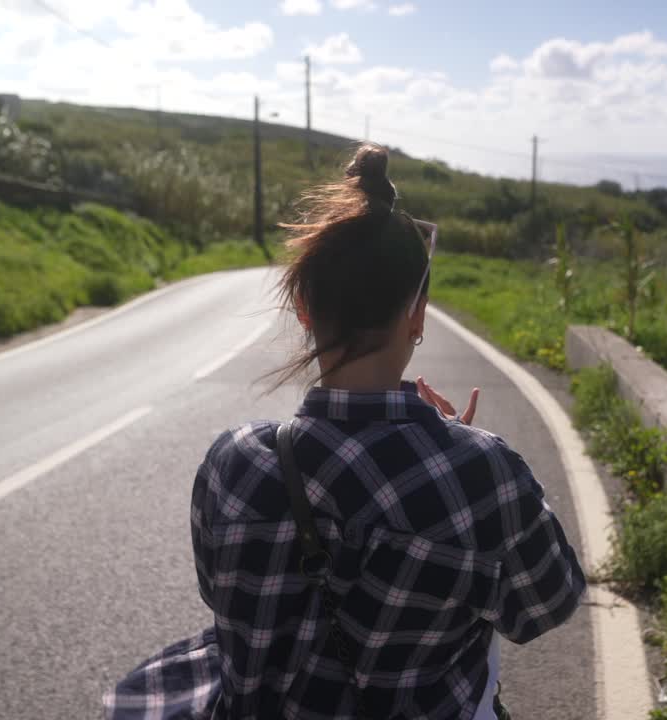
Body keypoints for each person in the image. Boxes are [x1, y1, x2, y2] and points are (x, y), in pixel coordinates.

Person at [106, 143, 586, 720]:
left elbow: (221, 596)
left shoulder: (232, 464)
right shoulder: (484, 474)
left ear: (304, 307)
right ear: (417, 315)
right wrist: (461, 455)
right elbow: (546, 606)